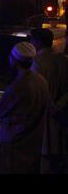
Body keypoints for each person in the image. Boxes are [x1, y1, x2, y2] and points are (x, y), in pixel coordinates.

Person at [0, 42, 50, 174]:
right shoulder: (41, 80)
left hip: (15, 145)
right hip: (34, 143)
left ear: (15, 61)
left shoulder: (19, 86)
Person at [30, 28, 68, 173]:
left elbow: (38, 91)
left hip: (46, 116)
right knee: (59, 155)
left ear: (38, 42)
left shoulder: (37, 63)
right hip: (62, 114)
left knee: (45, 156)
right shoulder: (64, 60)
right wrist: (60, 105)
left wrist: (52, 107)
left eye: (32, 40)